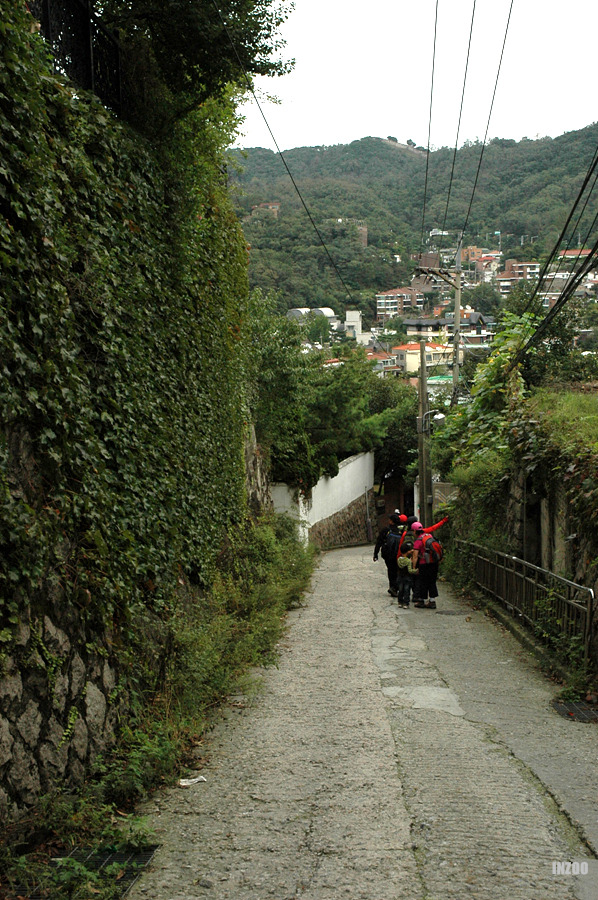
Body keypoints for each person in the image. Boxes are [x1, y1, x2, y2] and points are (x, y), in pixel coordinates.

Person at [411, 521, 440, 609]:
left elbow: (415, 556)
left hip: (424, 564)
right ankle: (432, 601)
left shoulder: (418, 541)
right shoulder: (429, 536)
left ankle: (421, 601)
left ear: (415, 531)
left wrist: (413, 567)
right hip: (434, 563)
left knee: (422, 582)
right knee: (432, 581)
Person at [373, 513, 404, 597]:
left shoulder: (386, 530)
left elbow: (379, 541)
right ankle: (395, 588)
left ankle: (392, 587)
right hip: (399, 555)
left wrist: (375, 554)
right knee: (398, 571)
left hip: (388, 555)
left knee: (391, 571)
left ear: (392, 522)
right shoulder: (401, 531)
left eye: (390, 519)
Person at [395, 538, 418, 608]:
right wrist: (416, 570)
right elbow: (410, 570)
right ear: (407, 551)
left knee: (400, 590)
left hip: (400, 577)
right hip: (407, 577)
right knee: (407, 590)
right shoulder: (408, 561)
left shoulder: (399, 559)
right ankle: (406, 603)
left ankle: (400, 602)